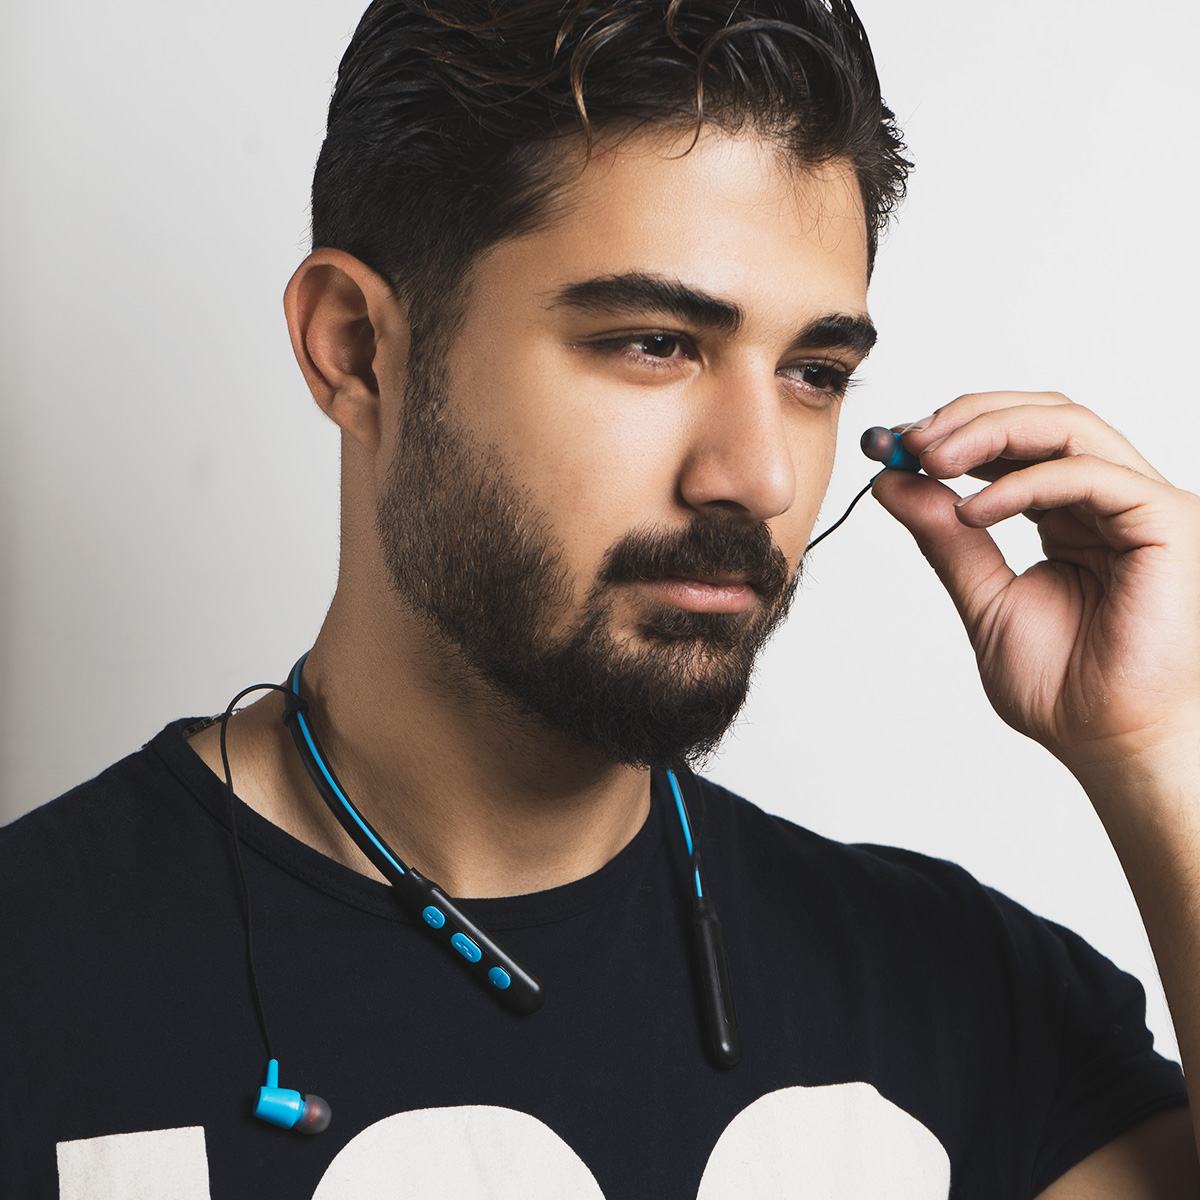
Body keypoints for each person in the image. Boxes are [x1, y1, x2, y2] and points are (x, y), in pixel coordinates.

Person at [3, 0, 1199, 1196]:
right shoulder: (37, 978)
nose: (760, 478)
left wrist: (1161, 746)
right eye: (653, 343)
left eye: (813, 372)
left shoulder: (962, 1010)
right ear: (358, 349)